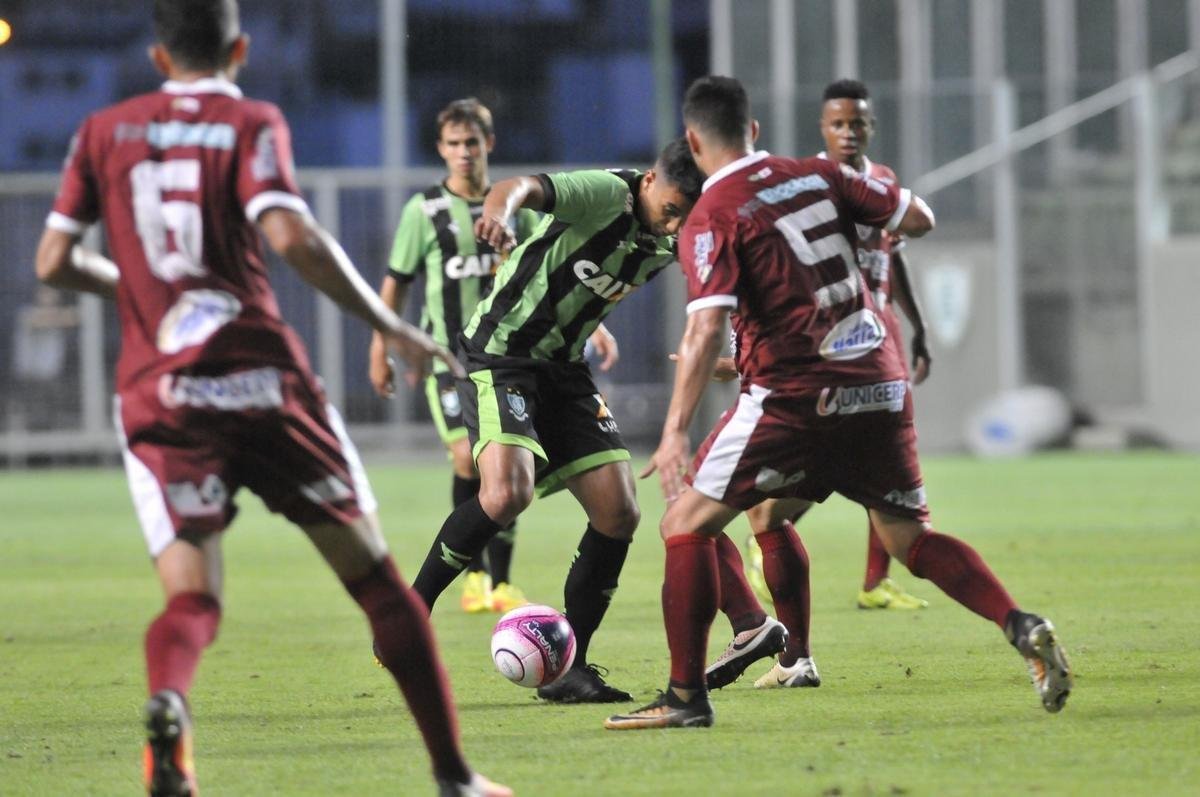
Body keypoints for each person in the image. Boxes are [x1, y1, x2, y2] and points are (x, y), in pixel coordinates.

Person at [34, 2, 509, 795]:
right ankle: (455, 775)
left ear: (157, 57)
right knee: (376, 584)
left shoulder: (103, 130)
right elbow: (289, 236)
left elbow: (54, 259)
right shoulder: (249, 120)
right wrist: (390, 323)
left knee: (192, 597)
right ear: (241, 49)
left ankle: (169, 702)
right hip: (261, 380)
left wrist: (143, 293)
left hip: (162, 391)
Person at [605, 76, 1072, 730]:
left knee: (684, 522)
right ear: (755, 130)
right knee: (904, 537)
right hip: (880, 381)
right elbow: (918, 219)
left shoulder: (713, 215)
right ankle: (1020, 622)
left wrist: (674, 429)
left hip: (796, 394)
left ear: (692, 140)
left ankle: (686, 697)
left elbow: (707, 323)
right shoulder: (818, 175)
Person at [409, 138, 703, 704]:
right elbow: (518, 186)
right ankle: (408, 613)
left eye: (687, 216)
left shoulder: (681, 235)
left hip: (564, 369)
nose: (676, 224)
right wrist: (497, 212)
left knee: (619, 513)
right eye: (671, 209)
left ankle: (571, 666)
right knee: (506, 493)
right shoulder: (607, 193)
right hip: (502, 353)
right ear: (649, 181)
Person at [739, 79, 933, 612]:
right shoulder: (813, 185)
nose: (849, 132)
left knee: (886, 456)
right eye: (839, 124)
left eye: (857, 123)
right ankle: (768, 534)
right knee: (833, 455)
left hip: (881, 331)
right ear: (823, 128)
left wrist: (918, 327)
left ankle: (875, 582)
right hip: (831, 340)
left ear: (872, 126)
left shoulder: (885, 182)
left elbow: (895, 255)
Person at [369, 98, 540, 615]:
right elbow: (395, 285)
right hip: (449, 359)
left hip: (508, 357)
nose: (463, 152)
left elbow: (544, 273)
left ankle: (503, 581)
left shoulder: (514, 206)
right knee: (468, 457)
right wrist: (381, 347)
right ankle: (475, 574)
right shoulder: (424, 211)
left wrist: (592, 330)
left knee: (506, 463)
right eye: (453, 144)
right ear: (441, 150)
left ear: (488, 144)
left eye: (471, 142)